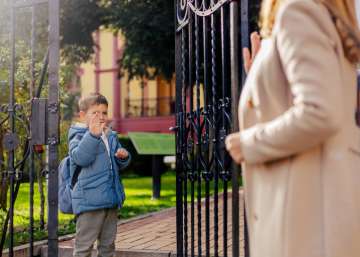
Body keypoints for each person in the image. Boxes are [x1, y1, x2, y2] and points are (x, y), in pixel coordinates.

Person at [225, 0, 360, 257]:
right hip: (323, 203)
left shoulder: (297, 10)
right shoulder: (327, 18)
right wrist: (261, 77)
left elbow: (320, 112)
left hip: (303, 209)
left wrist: (247, 144)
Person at [69, 93, 130, 257]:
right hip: (89, 201)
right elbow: (80, 158)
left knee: (108, 247)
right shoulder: (78, 135)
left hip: (110, 199)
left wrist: (122, 156)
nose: (101, 116)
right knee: (84, 247)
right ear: (82, 115)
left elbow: (115, 164)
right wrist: (93, 135)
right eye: (95, 112)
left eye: (104, 112)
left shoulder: (110, 136)